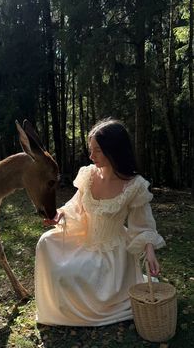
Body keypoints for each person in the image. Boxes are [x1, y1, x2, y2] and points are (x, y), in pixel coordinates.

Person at [35, 118, 165, 326]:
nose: (91, 155)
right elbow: (76, 205)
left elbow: (143, 223)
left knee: (70, 272)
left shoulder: (134, 186)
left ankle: (87, 305)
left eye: (97, 150)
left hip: (111, 253)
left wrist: (149, 249)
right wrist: (59, 215)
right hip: (85, 237)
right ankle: (62, 306)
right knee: (45, 243)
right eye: (90, 149)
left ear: (113, 150)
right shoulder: (88, 175)